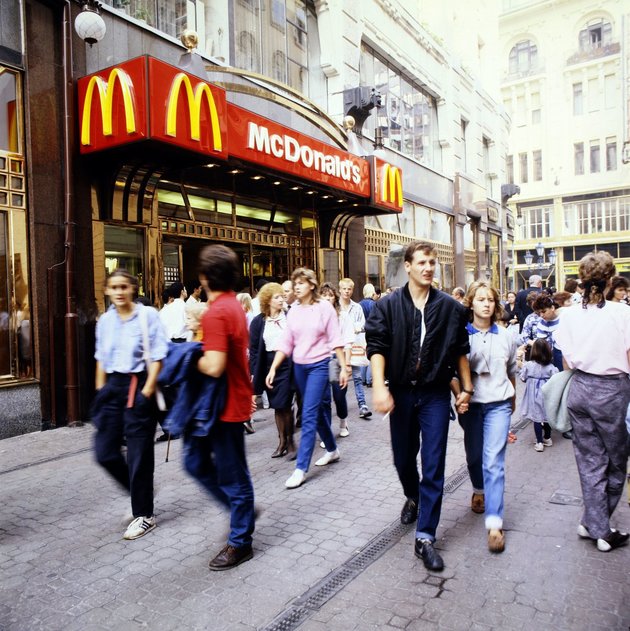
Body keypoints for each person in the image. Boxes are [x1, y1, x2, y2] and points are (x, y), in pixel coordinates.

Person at [365, 241, 473, 571]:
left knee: (434, 461)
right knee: (402, 457)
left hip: (436, 394)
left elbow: (459, 350)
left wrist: (465, 388)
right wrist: (380, 388)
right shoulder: (388, 306)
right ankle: (413, 494)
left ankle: (425, 536)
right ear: (408, 267)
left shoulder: (450, 308)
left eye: (432, 263)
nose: (428, 267)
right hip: (401, 392)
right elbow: (377, 347)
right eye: (422, 262)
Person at [186, 245, 257, 570]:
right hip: (229, 401)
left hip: (223, 404)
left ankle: (240, 541)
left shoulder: (217, 313)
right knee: (197, 462)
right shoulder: (232, 305)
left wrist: (188, 357)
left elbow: (213, 366)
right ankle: (240, 510)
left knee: (231, 474)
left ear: (203, 278)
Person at [555, 251, 630, 552]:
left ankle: (591, 521)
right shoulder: (623, 313)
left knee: (589, 461)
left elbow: (567, 361)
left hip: (580, 388)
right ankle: (602, 530)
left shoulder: (569, 314)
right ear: (611, 279)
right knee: (616, 460)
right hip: (612, 390)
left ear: (582, 280)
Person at [92, 269, 168, 540]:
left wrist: (146, 392)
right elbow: (101, 357)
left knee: (139, 455)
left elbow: (159, 355)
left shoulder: (148, 316)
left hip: (139, 385)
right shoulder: (105, 321)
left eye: (124, 286)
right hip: (112, 388)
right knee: (104, 453)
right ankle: (139, 491)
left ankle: (144, 514)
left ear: (133, 289)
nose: (119, 292)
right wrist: (101, 388)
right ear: (107, 290)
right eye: (114, 287)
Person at [266, 268, 348, 489]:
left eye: (301, 282)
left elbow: (335, 338)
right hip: (300, 367)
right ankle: (332, 450)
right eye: (295, 283)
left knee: (309, 414)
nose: (297, 287)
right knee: (318, 411)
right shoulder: (293, 311)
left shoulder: (324, 308)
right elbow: (286, 341)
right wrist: (273, 367)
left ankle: (301, 468)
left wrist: (343, 367)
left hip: (321, 365)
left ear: (312, 284)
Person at [455, 281, 517, 554]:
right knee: (474, 457)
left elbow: (512, 369)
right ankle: (479, 489)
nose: (486, 304)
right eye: (480, 299)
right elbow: (450, 370)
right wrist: (459, 395)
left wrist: (512, 400)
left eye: (490, 299)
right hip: (471, 406)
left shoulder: (506, 335)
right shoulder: (460, 335)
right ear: (471, 303)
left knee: (494, 461)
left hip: (498, 404)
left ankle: (494, 524)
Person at [249, 282, 296, 458]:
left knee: (285, 403)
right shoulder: (258, 322)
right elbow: (254, 350)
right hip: (268, 366)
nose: (281, 299)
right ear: (268, 300)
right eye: (277, 297)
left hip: (287, 365)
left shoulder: (289, 316)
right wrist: (255, 372)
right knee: (277, 405)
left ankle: (290, 441)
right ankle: (282, 441)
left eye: (282, 296)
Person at [320, 282, 353, 438]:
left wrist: (347, 365)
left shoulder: (343, 316)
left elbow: (347, 341)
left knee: (339, 396)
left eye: (330, 296)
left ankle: (343, 420)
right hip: (321, 359)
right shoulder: (315, 316)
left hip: (337, 359)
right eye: (324, 295)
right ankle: (327, 433)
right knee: (324, 399)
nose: (327, 299)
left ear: (335, 298)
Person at [338, 277, 372, 419]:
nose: (346, 291)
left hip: (353, 348)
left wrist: (353, 328)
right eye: (344, 289)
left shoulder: (357, 307)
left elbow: (362, 325)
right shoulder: (335, 306)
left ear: (352, 290)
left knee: (357, 377)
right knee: (340, 380)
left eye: (349, 289)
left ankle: (362, 405)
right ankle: (341, 408)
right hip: (339, 349)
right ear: (340, 290)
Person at [519, 338, 558, 452]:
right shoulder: (551, 367)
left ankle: (539, 442)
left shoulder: (529, 365)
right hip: (546, 394)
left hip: (533, 395)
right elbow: (555, 380)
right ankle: (547, 438)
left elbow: (522, 377)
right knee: (546, 416)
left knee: (536, 417)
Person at [359, 284, 377, 387]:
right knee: (371, 355)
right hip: (371, 331)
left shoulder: (359, 304)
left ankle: (363, 379)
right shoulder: (373, 304)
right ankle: (369, 379)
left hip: (361, 332)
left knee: (362, 355)